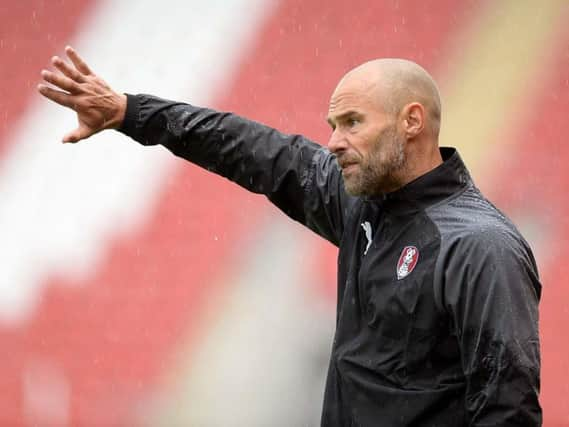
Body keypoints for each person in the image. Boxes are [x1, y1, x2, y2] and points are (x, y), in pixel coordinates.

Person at [38, 46, 542, 426]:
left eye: (351, 122)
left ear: (412, 121)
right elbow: (253, 149)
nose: (334, 141)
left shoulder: (479, 247)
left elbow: (508, 407)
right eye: (332, 124)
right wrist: (132, 113)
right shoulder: (361, 204)